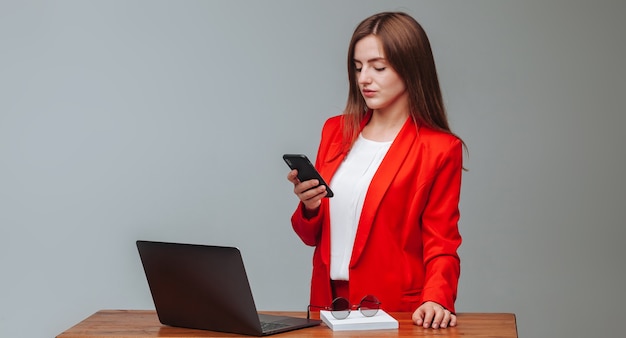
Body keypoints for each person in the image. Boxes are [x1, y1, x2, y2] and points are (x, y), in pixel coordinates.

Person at [287, 11, 464, 329]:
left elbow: (442, 241)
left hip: (392, 310)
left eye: (378, 67)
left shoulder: (438, 149)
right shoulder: (335, 131)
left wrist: (437, 297)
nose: (363, 78)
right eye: (358, 67)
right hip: (327, 306)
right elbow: (310, 235)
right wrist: (310, 205)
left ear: (411, 68)